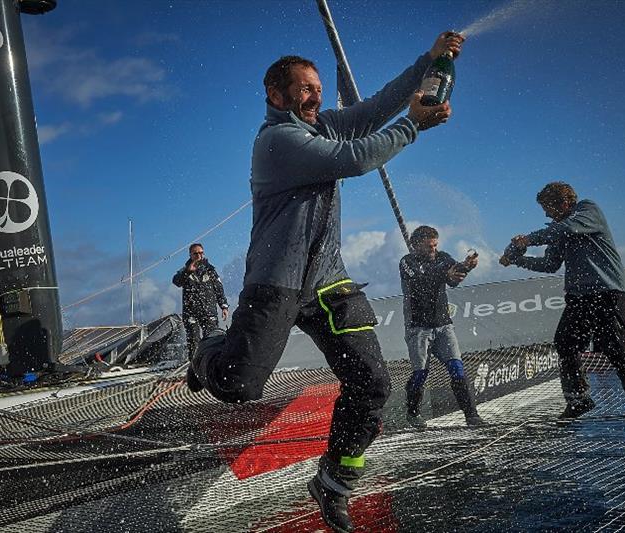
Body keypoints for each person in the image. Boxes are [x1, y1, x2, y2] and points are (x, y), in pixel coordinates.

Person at [187, 32, 465, 533]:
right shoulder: (278, 141)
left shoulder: (321, 125)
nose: (315, 96)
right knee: (238, 387)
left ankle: (334, 480)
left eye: (317, 87)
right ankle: (207, 350)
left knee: (373, 382)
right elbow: (355, 160)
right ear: (276, 95)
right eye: (305, 89)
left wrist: (430, 61)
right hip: (276, 284)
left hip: (329, 284)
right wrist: (414, 127)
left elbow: (378, 105)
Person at [499, 181, 625, 439]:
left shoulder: (587, 210)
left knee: (613, 347)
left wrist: (528, 239)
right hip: (579, 296)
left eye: (548, 208)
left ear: (564, 203)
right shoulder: (558, 230)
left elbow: (567, 228)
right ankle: (579, 399)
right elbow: (550, 264)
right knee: (565, 342)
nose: (546, 215)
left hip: (608, 291)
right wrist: (517, 259)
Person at [400, 225, 483, 429]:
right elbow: (422, 280)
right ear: (415, 245)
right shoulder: (406, 262)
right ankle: (413, 412)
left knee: (457, 368)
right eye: (429, 247)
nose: (433, 250)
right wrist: (447, 273)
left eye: (435, 246)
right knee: (421, 373)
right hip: (418, 327)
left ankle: (472, 416)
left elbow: (453, 278)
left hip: (444, 325)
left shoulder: (443, 257)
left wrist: (466, 266)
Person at [172, 243, 229, 358]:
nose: (199, 256)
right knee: (194, 340)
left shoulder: (211, 270)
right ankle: (194, 365)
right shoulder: (184, 270)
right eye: (196, 253)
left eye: (201, 253)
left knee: (212, 339)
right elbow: (177, 282)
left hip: (209, 311)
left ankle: (210, 363)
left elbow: (219, 289)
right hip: (191, 312)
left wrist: (224, 306)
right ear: (190, 255)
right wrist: (188, 271)